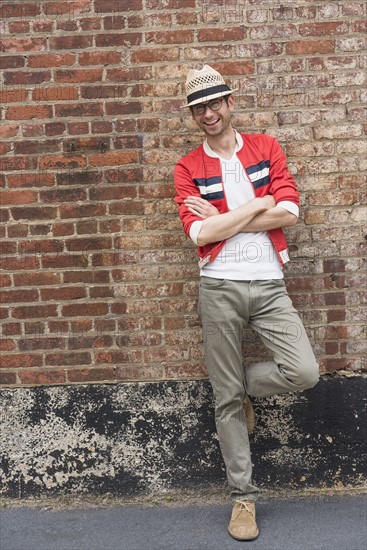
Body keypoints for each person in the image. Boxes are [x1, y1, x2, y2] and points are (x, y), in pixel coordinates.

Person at [173, 65, 319, 541]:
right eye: (199, 108)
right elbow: (200, 233)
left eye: (215, 103)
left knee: (303, 372)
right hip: (218, 286)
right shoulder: (186, 168)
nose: (208, 113)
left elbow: (290, 212)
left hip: (268, 282)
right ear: (194, 115)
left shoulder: (266, 147)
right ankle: (243, 499)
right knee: (224, 397)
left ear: (231, 103)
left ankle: (242, 390)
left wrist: (229, 216)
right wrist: (256, 204)